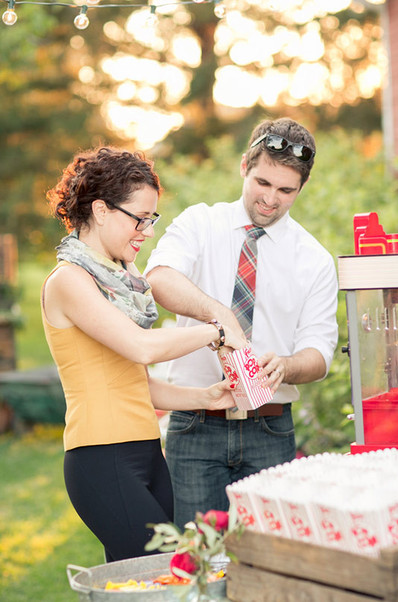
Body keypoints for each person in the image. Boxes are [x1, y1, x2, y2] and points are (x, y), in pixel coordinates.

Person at [40, 146, 246, 562]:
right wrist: (218, 328)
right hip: (101, 457)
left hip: (146, 452)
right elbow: (141, 346)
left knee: (144, 580)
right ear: (101, 210)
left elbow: (136, 383)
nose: (147, 231)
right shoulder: (69, 281)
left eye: (152, 219)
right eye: (140, 218)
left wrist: (205, 398)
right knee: (157, 575)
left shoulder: (118, 281)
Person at [144, 117, 339, 528]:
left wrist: (287, 366)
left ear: (301, 188)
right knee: (197, 553)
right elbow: (159, 278)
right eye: (262, 183)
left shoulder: (315, 260)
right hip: (195, 424)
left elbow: (320, 354)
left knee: (269, 551)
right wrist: (220, 315)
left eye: (286, 190)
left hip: (270, 428)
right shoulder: (200, 223)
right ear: (244, 167)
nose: (270, 199)